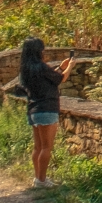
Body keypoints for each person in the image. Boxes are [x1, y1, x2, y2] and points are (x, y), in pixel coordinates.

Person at [13, 37, 75, 186]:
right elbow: (61, 79)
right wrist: (70, 66)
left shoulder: (26, 69)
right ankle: (41, 180)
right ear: (39, 51)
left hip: (33, 110)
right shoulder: (41, 66)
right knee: (46, 147)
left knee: (38, 147)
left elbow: (51, 77)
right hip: (47, 108)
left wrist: (60, 67)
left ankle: (37, 177)